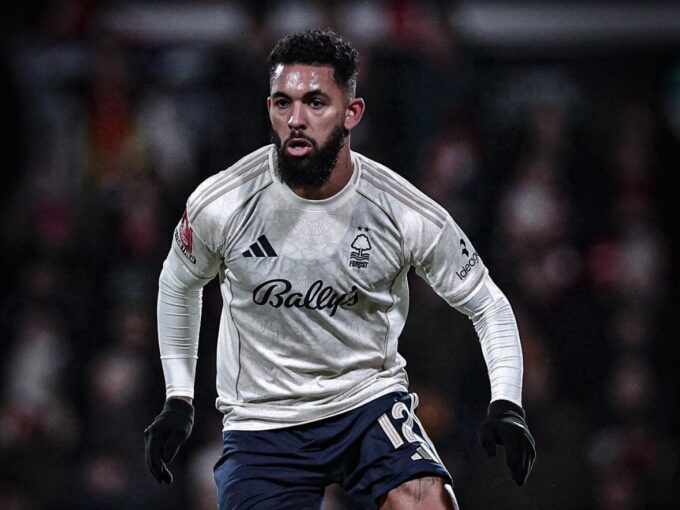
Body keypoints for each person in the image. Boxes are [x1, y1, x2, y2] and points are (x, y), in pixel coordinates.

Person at [144, 28, 535, 510]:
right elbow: (178, 283)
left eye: (315, 102)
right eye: (283, 103)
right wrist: (178, 398)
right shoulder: (223, 203)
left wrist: (507, 400)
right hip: (264, 422)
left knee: (428, 503)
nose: (296, 120)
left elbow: (487, 303)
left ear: (352, 112)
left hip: (366, 406)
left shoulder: (400, 210)